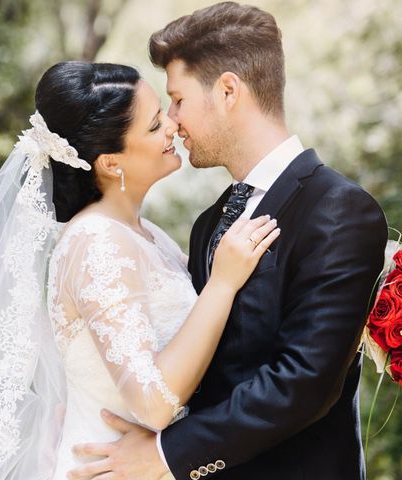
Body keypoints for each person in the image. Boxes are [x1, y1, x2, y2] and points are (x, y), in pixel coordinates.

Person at [0, 60, 279, 480]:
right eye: (154, 125)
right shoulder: (96, 242)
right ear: (110, 162)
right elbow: (154, 403)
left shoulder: (147, 235)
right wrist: (223, 284)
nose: (173, 127)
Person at [67, 3, 388, 480]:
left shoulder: (338, 209)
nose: (172, 121)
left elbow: (303, 383)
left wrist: (164, 454)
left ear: (228, 91)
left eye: (177, 99)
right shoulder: (207, 224)